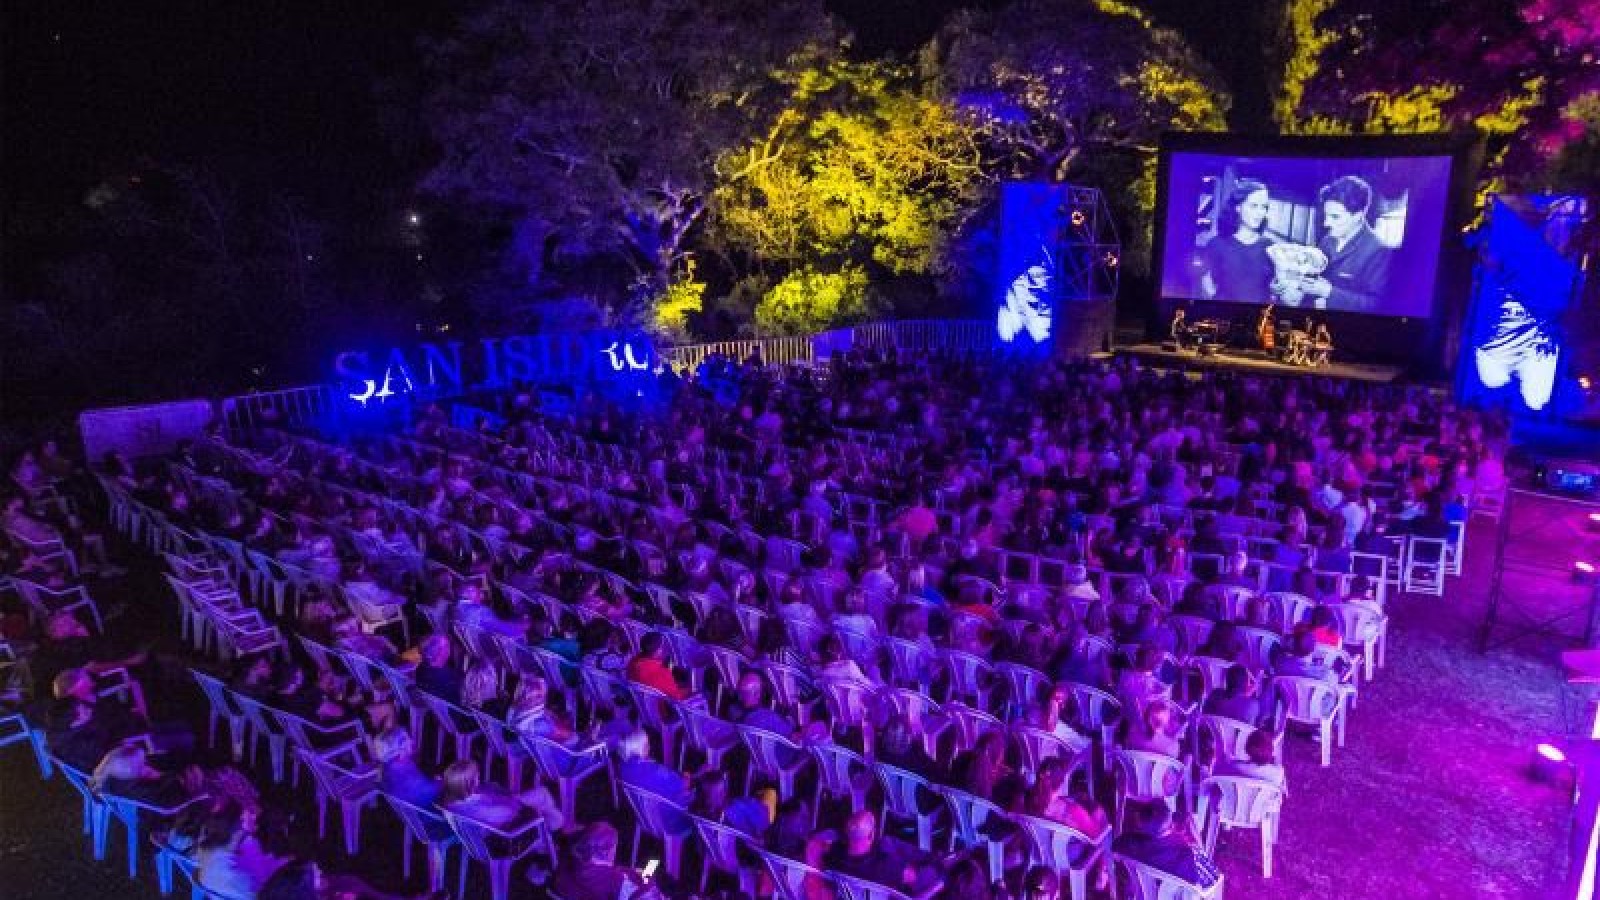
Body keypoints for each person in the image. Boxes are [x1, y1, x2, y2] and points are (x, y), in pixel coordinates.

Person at [1296, 175, 1393, 312]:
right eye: (1326, 215)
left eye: (1335, 217)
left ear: (1358, 215)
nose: (1326, 223)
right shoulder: (1328, 240)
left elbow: (1377, 305)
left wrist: (1330, 293)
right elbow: (1315, 279)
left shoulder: (1379, 250)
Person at [1199, 178, 1275, 303]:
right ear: (1238, 207)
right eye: (1254, 206)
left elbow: (1273, 290)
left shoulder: (1271, 247)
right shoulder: (1216, 244)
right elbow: (1207, 286)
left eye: (1264, 207)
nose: (1260, 213)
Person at [1114, 800, 1221, 889]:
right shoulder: (1188, 854)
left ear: (1140, 825)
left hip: (1147, 891)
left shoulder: (1127, 844)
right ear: (1171, 826)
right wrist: (1195, 838)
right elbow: (1212, 879)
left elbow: (1115, 850)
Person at [551, 822, 661, 900]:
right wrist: (647, 879)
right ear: (607, 852)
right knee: (651, 866)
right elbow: (641, 893)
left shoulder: (572, 860)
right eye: (615, 846)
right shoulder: (615, 879)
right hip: (634, 885)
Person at [625, 632, 688, 701]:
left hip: (642, 701)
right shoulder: (662, 674)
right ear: (657, 651)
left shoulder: (632, 662)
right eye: (662, 647)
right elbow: (676, 697)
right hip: (662, 707)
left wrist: (666, 668)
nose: (665, 649)